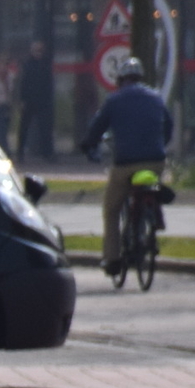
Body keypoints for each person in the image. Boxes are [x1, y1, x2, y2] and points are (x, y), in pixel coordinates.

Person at [80, 58, 174, 272]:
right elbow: (168, 126)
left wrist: (88, 145)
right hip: (155, 161)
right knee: (152, 181)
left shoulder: (114, 100)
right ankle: (154, 214)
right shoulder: (156, 97)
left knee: (111, 209)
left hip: (125, 163)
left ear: (120, 79)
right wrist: (159, 145)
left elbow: (97, 126)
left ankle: (112, 260)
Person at [17, 40, 55, 160]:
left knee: (45, 128)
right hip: (29, 101)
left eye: (40, 50)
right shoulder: (27, 64)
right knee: (24, 128)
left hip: (43, 101)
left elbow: (49, 83)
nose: (38, 53)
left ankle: (47, 154)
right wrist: (22, 100)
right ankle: (20, 153)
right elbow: (23, 83)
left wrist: (49, 100)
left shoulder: (45, 64)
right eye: (36, 50)